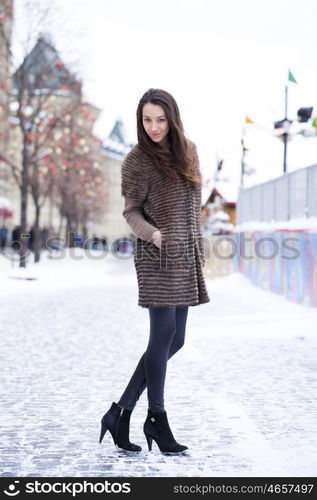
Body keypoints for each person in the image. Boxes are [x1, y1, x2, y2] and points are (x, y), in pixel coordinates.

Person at [99, 88, 210, 455]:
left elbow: (194, 205)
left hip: (185, 255)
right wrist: (155, 234)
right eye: (147, 120)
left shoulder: (188, 152)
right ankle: (156, 419)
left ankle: (120, 412)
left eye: (160, 119)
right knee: (162, 337)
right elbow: (131, 211)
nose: (154, 127)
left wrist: (198, 243)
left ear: (172, 119)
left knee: (175, 340)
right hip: (156, 256)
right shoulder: (136, 161)